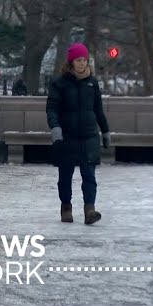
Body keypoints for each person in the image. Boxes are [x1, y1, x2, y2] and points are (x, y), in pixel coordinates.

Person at [45, 43, 111, 225]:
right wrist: (55, 128)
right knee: (65, 176)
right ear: (71, 62)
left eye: (84, 60)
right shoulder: (59, 84)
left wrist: (105, 130)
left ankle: (90, 209)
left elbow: (98, 109)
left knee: (89, 176)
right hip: (67, 137)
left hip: (89, 136)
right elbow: (52, 109)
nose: (81, 64)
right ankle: (66, 207)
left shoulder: (92, 83)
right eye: (78, 60)